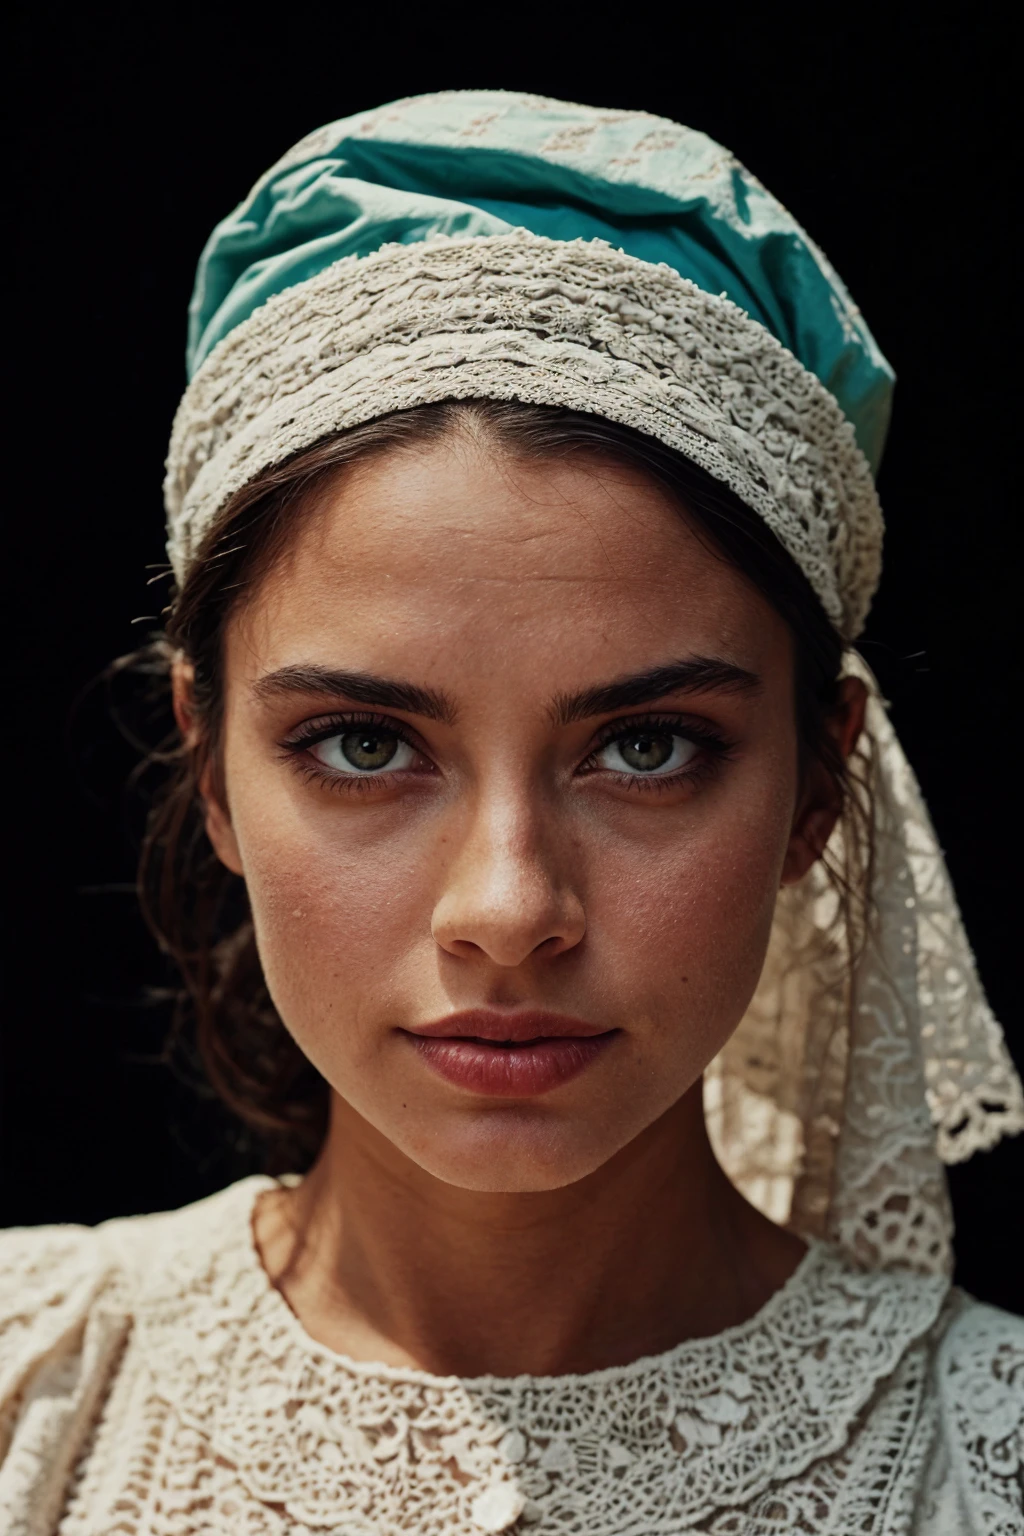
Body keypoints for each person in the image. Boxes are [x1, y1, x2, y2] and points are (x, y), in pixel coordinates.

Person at [1, 92, 1021, 1535]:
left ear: (816, 784)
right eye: (364, 743)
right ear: (211, 761)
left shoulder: (983, 1463)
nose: (506, 910)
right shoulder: (31, 1395)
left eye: (648, 747)